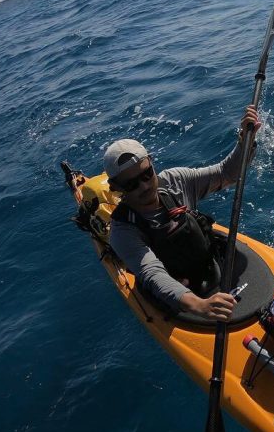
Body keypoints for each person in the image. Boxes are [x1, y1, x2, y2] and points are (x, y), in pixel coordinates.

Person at [103, 105, 261, 321]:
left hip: (208, 268)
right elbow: (152, 273)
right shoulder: (123, 232)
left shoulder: (175, 181)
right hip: (181, 296)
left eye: (147, 174)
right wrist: (199, 305)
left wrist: (245, 140)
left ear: (152, 164)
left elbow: (226, 174)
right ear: (116, 188)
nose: (144, 186)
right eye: (131, 184)